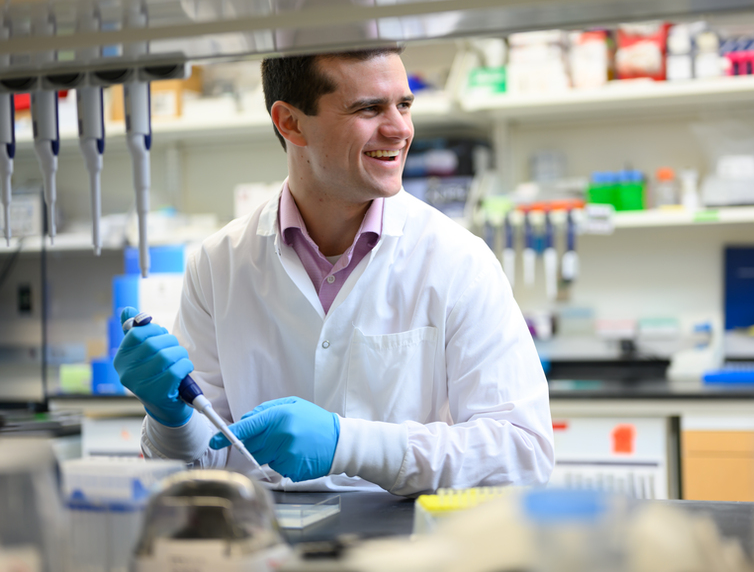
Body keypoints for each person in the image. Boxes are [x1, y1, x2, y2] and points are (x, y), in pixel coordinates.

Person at [113, 47, 554, 495]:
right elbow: (202, 461)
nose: (401, 129)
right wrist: (168, 416)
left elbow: (522, 452)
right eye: (368, 108)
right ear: (290, 122)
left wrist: (351, 444)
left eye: (403, 104)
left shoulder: (458, 260)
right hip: (263, 546)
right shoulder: (218, 263)